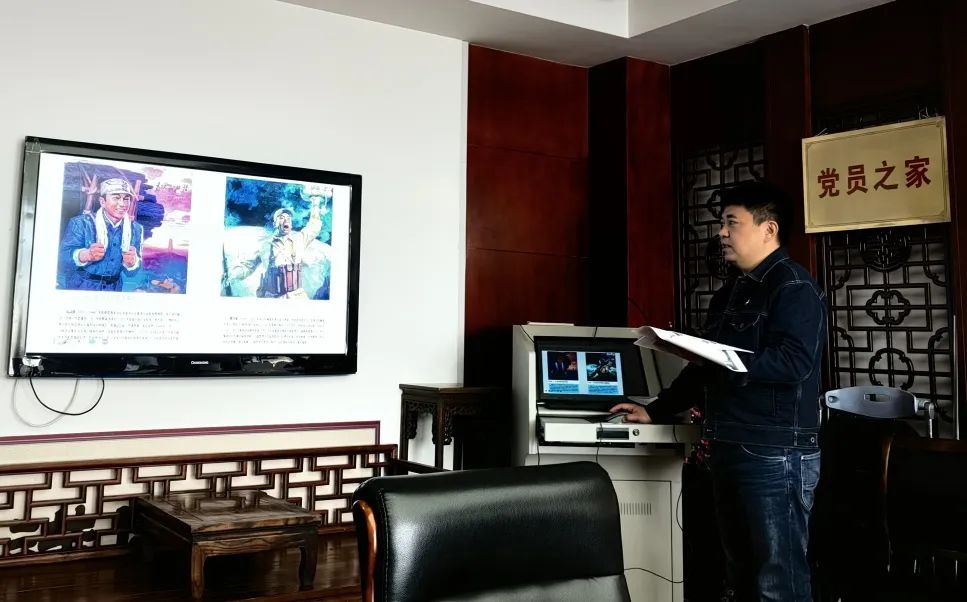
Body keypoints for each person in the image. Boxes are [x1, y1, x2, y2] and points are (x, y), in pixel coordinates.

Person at [610, 180, 827, 602]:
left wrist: (729, 360)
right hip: (728, 443)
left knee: (777, 580)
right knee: (740, 573)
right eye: (721, 223)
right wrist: (655, 410)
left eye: (732, 222)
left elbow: (794, 363)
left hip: (775, 452)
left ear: (769, 229)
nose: (721, 232)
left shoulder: (794, 288)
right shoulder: (730, 293)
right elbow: (703, 369)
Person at [226, 192, 324, 299]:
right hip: (271, 297)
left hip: (296, 296)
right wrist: (232, 275)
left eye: (289, 218)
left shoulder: (299, 239)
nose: (286, 220)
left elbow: (314, 226)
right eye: (281, 217)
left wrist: (315, 205)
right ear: (274, 224)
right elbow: (247, 266)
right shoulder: (264, 244)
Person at [59, 178, 143, 291]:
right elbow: (62, 259)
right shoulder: (81, 223)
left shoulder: (136, 229)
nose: (122, 204)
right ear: (102, 201)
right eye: (116, 198)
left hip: (114, 289)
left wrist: (132, 263)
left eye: (126, 199)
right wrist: (85, 255)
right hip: (81, 286)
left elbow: (132, 273)